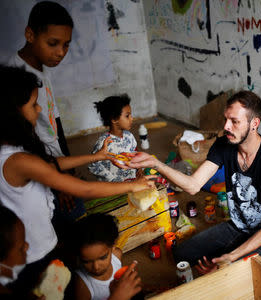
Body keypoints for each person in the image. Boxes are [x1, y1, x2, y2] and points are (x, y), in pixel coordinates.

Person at [0, 65, 154, 295]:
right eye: (33, 104)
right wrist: (133, 184)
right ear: (12, 113)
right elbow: (85, 189)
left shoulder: (14, 151)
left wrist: (97, 156)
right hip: (33, 253)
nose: (40, 108)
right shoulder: (18, 160)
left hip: (38, 242)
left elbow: (52, 165)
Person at [123, 91, 261, 270]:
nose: (226, 126)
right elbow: (193, 185)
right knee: (181, 255)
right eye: (226, 119)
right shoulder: (224, 144)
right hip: (237, 227)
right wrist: (156, 163)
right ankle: (230, 257)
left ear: (254, 123)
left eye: (234, 121)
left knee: (230, 276)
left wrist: (231, 256)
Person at [9, 1, 73, 158]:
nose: (60, 52)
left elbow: (53, 116)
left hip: (55, 157)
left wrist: (66, 159)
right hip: (40, 162)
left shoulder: (42, 66)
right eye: (53, 43)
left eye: (66, 45)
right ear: (30, 35)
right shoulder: (14, 75)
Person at [72, 214, 141, 300]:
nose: (96, 267)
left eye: (103, 257)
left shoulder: (117, 255)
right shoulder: (82, 284)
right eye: (86, 261)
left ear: (113, 246)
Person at [88, 94, 138, 182]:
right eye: (127, 116)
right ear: (114, 119)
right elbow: (93, 165)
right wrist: (113, 179)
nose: (132, 119)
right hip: (114, 187)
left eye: (131, 115)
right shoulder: (104, 142)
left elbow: (135, 153)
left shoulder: (129, 136)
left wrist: (138, 169)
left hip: (131, 182)